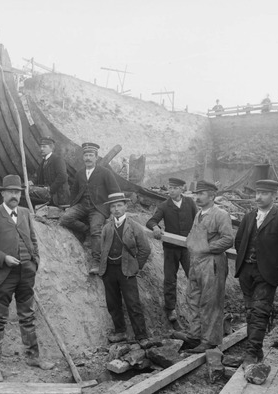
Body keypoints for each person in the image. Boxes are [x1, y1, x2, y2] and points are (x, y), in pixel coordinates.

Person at [0, 175, 54, 382]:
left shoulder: (26, 213)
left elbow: (33, 241)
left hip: (26, 274)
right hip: (3, 276)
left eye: (18, 192)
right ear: (2, 193)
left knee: (27, 315)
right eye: (10, 192)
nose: (15, 196)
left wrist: (34, 262)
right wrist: (3, 258)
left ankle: (33, 357)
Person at [234, 180, 278, 366]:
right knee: (250, 312)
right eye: (257, 192)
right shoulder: (249, 217)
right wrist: (244, 262)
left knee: (260, 312)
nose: (258, 197)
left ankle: (250, 354)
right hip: (246, 272)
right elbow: (239, 242)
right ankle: (256, 350)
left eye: (264, 193)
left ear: (274, 196)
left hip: (266, 275)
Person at [172, 180, 233, 353]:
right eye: (196, 194)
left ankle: (209, 340)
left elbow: (228, 239)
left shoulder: (220, 215)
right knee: (194, 300)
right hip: (197, 263)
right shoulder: (198, 215)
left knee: (210, 302)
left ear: (212, 196)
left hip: (212, 264)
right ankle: (195, 336)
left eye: (201, 194)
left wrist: (205, 248)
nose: (197, 197)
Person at [98, 192, 152, 347]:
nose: (116, 209)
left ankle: (141, 336)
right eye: (113, 206)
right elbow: (103, 247)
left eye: (119, 205)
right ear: (110, 209)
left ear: (126, 206)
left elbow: (145, 249)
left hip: (127, 271)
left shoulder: (134, 226)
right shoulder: (107, 227)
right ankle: (120, 332)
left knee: (133, 303)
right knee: (113, 303)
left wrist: (136, 267)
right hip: (109, 270)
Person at [59, 142, 120, 274]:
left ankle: (96, 261)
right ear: (83, 157)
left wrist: (112, 211)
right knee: (65, 219)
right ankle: (85, 231)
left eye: (91, 155)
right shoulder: (80, 173)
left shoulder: (105, 173)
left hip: (98, 207)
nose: (88, 158)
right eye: (86, 155)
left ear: (96, 157)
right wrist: (70, 207)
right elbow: (74, 192)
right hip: (82, 205)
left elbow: (115, 192)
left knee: (96, 231)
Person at [145, 178, 198, 323]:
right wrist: (156, 227)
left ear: (182, 189)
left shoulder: (190, 203)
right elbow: (151, 221)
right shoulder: (164, 205)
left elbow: (199, 221)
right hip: (171, 249)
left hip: (188, 248)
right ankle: (170, 309)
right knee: (170, 279)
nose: (171, 191)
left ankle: (198, 307)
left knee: (193, 277)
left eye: (175, 188)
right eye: (170, 188)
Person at [29, 137, 70, 207]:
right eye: (41, 147)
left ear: (51, 148)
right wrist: (29, 182)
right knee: (26, 189)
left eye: (44, 147)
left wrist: (51, 189)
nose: (41, 149)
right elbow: (36, 176)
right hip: (48, 193)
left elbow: (63, 176)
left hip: (57, 196)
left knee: (29, 190)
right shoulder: (44, 162)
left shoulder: (57, 159)